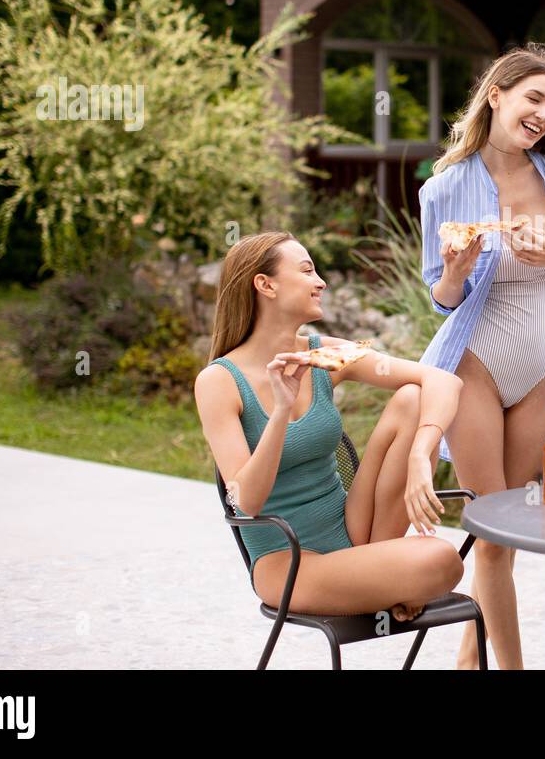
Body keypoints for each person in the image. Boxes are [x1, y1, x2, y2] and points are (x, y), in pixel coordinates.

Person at [418, 42, 545, 669]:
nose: (544, 115)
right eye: (534, 98)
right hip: (476, 360)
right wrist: (457, 270)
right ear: (496, 94)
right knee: (494, 524)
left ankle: (468, 659)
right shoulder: (445, 186)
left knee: (508, 531)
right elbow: (441, 298)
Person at [195, 231, 466, 623]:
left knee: (412, 397)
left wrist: (423, 454)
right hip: (290, 562)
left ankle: (388, 578)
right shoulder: (219, 381)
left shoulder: (324, 354)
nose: (320, 281)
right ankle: (394, 586)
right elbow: (245, 502)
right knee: (441, 559)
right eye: (307, 270)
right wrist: (280, 411)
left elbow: (442, 380)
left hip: (355, 533)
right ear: (265, 284)